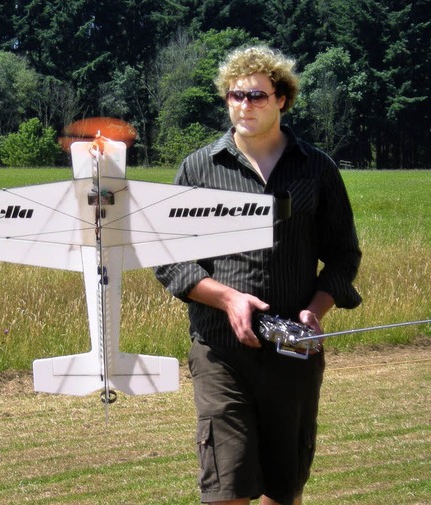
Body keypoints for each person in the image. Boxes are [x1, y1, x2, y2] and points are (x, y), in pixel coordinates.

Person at [155, 45, 362, 505]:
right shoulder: (200, 168)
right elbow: (168, 255)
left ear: (282, 99)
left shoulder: (317, 168)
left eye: (257, 96)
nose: (245, 105)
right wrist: (228, 300)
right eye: (236, 95)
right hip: (220, 351)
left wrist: (314, 309)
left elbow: (344, 256)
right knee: (226, 489)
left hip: (293, 349)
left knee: (282, 491)